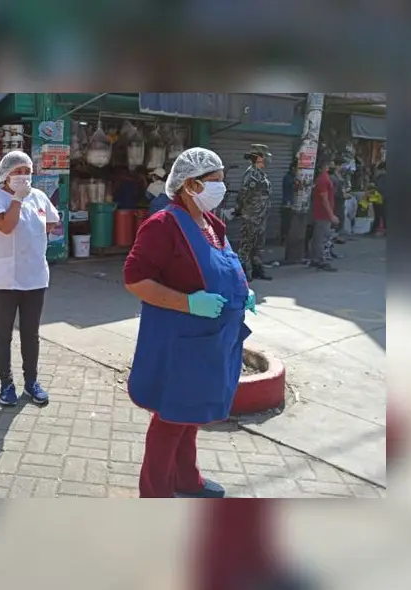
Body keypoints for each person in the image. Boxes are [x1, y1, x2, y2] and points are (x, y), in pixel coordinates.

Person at [123, 147, 255, 498]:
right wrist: (189, 303)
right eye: (215, 181)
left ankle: (186, 480)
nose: (222, 187)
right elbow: (135, 280)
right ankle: (155, 493)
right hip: (180, 341)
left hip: (210, 340)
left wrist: (245, 292)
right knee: (170, 419)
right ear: (190, 185)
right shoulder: (163, 225)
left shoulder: (212, 223)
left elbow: (225, 265)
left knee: (190, 416)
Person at [0, 150, 60, 407]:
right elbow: (6, 226)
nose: (24, 176)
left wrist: (32, 244)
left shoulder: (38, 196)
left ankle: (31, 382)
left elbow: (51, 222)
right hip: (5, 279)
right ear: (5, 174)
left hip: (35, 277)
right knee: (3, 334)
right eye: (18, 172)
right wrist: (16, 199)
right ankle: (6, 383)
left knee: (31, 333)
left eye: (28, 171)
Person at [235, 144, 273, 281]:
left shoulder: (262, 174)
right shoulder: (251, 174)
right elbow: (243, 194)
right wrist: (238, 209)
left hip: (261, 216)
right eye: (265, 156)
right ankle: (242, 272)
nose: (268, 159)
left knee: (258, 244)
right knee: (246, 244)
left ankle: (257, 269)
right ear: (258, 158)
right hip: (251, 216)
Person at [309, 160, 339, 272]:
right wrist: (331, 215)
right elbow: (324, 199)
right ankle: (320, 260)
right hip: (322, 214)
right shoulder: (323, 179)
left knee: (318, 237)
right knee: (321, 238)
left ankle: (315, 259)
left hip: (322, 213)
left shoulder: (324, 178)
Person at [280, 159, 298, 244]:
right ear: (293, 168)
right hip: (287, 203)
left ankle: (286, 238)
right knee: (287, 223)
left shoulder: (292, 177)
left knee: (289, 222)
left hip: (290, 203)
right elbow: (293, 186)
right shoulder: (288, 177)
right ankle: (284, 239)